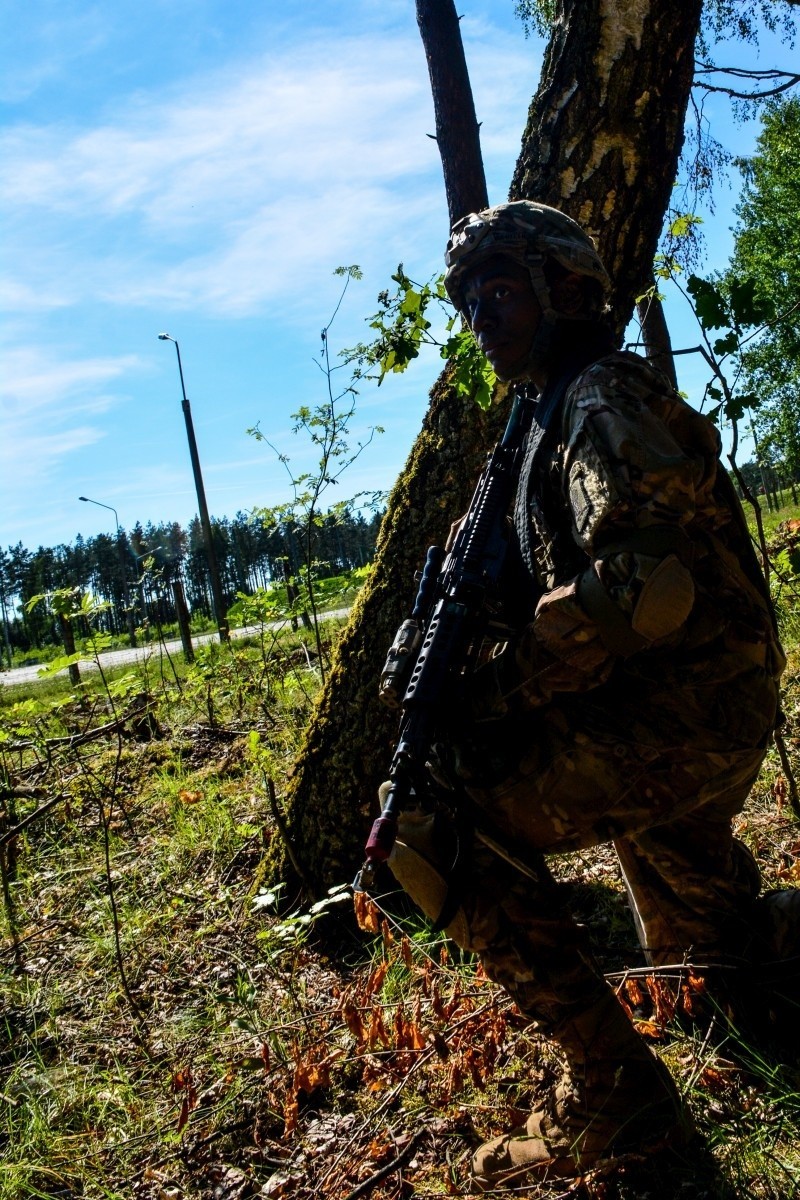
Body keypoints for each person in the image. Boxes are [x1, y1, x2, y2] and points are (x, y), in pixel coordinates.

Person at [383, 200, 791, 1188]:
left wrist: (498, 689)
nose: (483, 317)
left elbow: (637, 591)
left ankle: (613, 1102)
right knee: (715, 961)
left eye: (500, 289)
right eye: (469, 301)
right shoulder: (540, 419)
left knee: (440, 832)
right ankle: (767, 970)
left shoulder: (597, 398)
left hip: (678, 711)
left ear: (563, 288)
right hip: (683, 704)